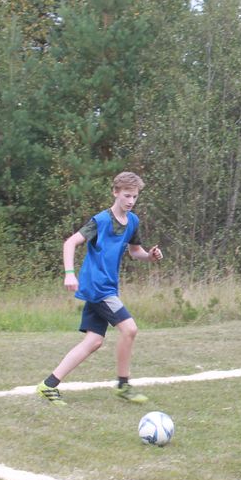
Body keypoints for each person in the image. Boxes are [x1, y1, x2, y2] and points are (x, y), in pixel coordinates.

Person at [36, 172, 163, 405]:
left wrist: (150, 256)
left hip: (108, 287)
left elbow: (135, 251)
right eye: (126, 195)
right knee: (130, 329)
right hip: (98, 288)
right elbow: (70, 243)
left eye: (135, 196)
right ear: (115, 192)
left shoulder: (133, 222)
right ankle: (123, 385)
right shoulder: (100, 221)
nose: (131, 201)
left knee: (93, 341)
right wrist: (69, 273)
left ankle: (48, 385)